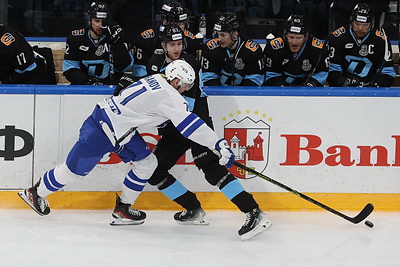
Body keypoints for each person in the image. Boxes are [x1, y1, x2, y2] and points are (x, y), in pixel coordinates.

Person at [18, 60, 236, 227]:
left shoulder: (158, 78)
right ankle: (35, 193)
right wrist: (218, 143)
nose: (187, 90)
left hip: (118, 128)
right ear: (177, 81)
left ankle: (123, 209)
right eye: (186, 85)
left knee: (148, 163)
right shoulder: (171, 96)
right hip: (102, 130)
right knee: (74, 170)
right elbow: (191, 125)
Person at [140, 23, 271, 240]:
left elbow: (185, 104)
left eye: (180, 44)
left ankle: (253, 211)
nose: (176, 49)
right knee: (155, 170)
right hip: (174, 126)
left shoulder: (189, 62)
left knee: (211, 168)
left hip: (194, 120)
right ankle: (193, 209)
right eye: (172, 44)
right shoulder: (155, 63)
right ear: (163, 45)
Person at [62, 1, 133, 85]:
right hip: (84, 88)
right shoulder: (76, 38)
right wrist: (86, 82)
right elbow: (69, 68)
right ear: (90, 21)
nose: (100, 25)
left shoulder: (118, 36)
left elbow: (123, 67)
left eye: (104, 21)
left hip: (111, 88)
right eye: (97, 21)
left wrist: (116, 43)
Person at [326, 3, 395, 87]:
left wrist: (374, 86)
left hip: (371, 90)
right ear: (351, 21)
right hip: (343, 89)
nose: (360, 28)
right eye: (357, 24)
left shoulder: (381, 40)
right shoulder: (338, 38)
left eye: (365, 25)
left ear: (371, 24)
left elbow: (388, 72)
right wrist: (345, 85)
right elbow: (332, 69)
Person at [131, 1, 203, 80]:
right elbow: (139, 75)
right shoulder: (147, 40)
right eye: (176, 23)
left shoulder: (191, 40)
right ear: (165, 22)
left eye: (182, 23)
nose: (180, 28)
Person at [263, 15, 329, 87]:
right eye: (291, 37)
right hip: (282, 81)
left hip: (308, 81)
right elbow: (271, 74)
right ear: (286, 35)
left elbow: (322, 73)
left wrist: (311, 85)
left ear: (305, 37)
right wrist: (282, 87)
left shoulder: (317, 48)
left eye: (298, 38)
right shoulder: (275, 47)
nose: (294, 42)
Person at [201, 12, 264, 86]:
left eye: (223, 35)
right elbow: (208, 78)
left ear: (235, 35)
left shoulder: (251, 51)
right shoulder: (211, 49)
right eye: (217, 34)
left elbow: (255, 80)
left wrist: (240, 95)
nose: (219, 39)